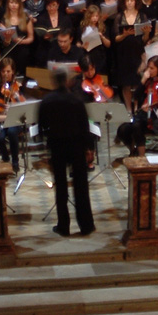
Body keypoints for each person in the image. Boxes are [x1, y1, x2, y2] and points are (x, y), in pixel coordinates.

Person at [38, 70, 95, 237]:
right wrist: (89, 148)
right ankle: (86, 225)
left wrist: (47, 142)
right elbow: (85, 126)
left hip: (57, 146)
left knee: (61, 187)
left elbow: (42, 126)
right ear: (67, 81)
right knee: (81, 186)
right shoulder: (76, 100)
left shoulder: (47, 100)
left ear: (54, 82)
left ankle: (63, 226)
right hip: (77, 146)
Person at [115, 55, 158, 157]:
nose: (149, 70)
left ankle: (141, 157)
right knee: (122, 129)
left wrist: (154, 106)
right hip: (142, 116)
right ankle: (133, 151)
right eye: (148, 67)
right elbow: (136, 96)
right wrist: (143, 80)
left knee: (137, 126)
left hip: (156, 119)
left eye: (152, 68)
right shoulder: (147, 82)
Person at [113, 0, 151, 111]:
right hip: (124, 53)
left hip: (137, 52)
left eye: (132, 0)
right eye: (127, 0)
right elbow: (116, 38)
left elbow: (145, 40)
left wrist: (146, 33)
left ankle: (136, 107)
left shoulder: (142, 16)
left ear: (136, 1)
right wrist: (125, 34)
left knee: (137, 81)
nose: (129, 3)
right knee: (126, 83)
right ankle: (129, 109)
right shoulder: (119, 17)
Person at [0, 57, 24, 172]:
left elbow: (22, 107)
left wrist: (16, 99)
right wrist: (0, 110)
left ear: (13, 72)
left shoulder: (16, 86)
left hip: (13, 118)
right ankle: (5, 156)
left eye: (8, 71)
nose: (5, 74)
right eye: (3, 71)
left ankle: (15, 161)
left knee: (12, 132)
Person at [0, 0, 33, 75]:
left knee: (24, 54)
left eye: (16, 3)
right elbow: (5, 43)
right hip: (9, 49)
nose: (14, 5)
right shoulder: (3, 19)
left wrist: (22, 41)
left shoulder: (26, 18)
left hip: (22, 48)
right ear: (8, 4)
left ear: (19, 4)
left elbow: (31, 38)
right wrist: (7, 39)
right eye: (11, 2)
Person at [80, 5, 111, 75]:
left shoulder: (103, 27)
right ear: (88, 16)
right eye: (92, 16)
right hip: (87, 55)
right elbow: (78, 43)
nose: (95, 18)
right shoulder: (83, 28)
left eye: (96, 16)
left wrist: (102, 37)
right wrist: (82, 46)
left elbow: (108, 44)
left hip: (100, 56)